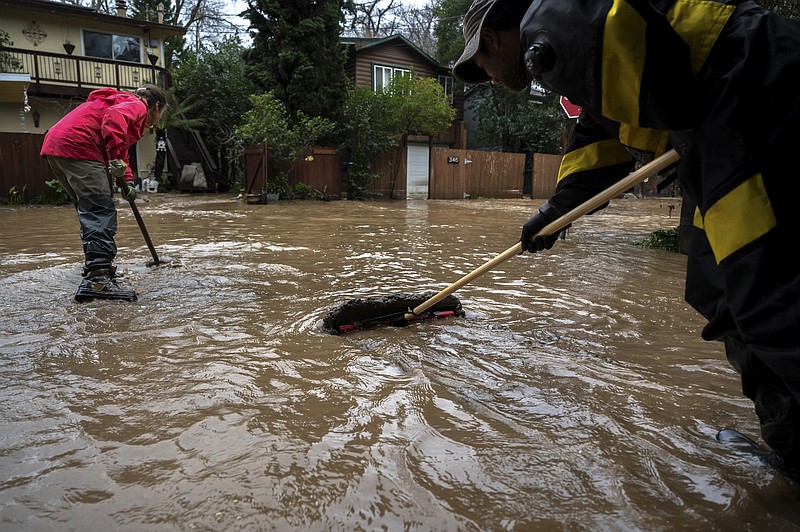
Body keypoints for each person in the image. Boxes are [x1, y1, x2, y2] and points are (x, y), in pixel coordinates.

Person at [452, 0, 800, 483]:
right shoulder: (571, 40)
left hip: (745, 92)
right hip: (717, 123)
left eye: (481, 65)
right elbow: (604, 130)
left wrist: (688, 127)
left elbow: (672, 87)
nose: (488, 76)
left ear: (492, 37)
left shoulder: (548, 24)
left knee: (766, 298)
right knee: (716, 290)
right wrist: (557, 211)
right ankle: (793, 448)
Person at [41, 84, 167, 302]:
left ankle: (99, 270)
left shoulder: (120, 102)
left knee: (89, 210)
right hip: (79, 146)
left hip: (58, 147)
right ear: (156, 106)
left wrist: (126, 181)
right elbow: (113, 121)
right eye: (161, 114)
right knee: (99, 208)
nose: (157, 119)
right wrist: (114, 157)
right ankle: (97, 280)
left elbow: (120, 149)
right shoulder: (137, 106)